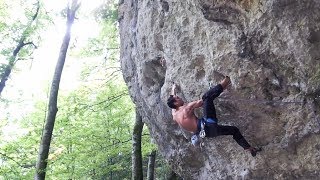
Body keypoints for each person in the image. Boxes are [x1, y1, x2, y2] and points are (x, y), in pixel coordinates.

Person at [167, 76, 261, 157]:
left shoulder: (174, 114)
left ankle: (249, 148)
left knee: (234, 130)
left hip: (209, 133)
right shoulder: (186, 108)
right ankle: (226, 81)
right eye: (178, 98)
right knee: (206, 97)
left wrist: (173, 88)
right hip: (208, 124)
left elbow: (172, 98)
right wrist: (202, 102)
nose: (180, 98)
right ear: (176, 103)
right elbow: (201, 102)